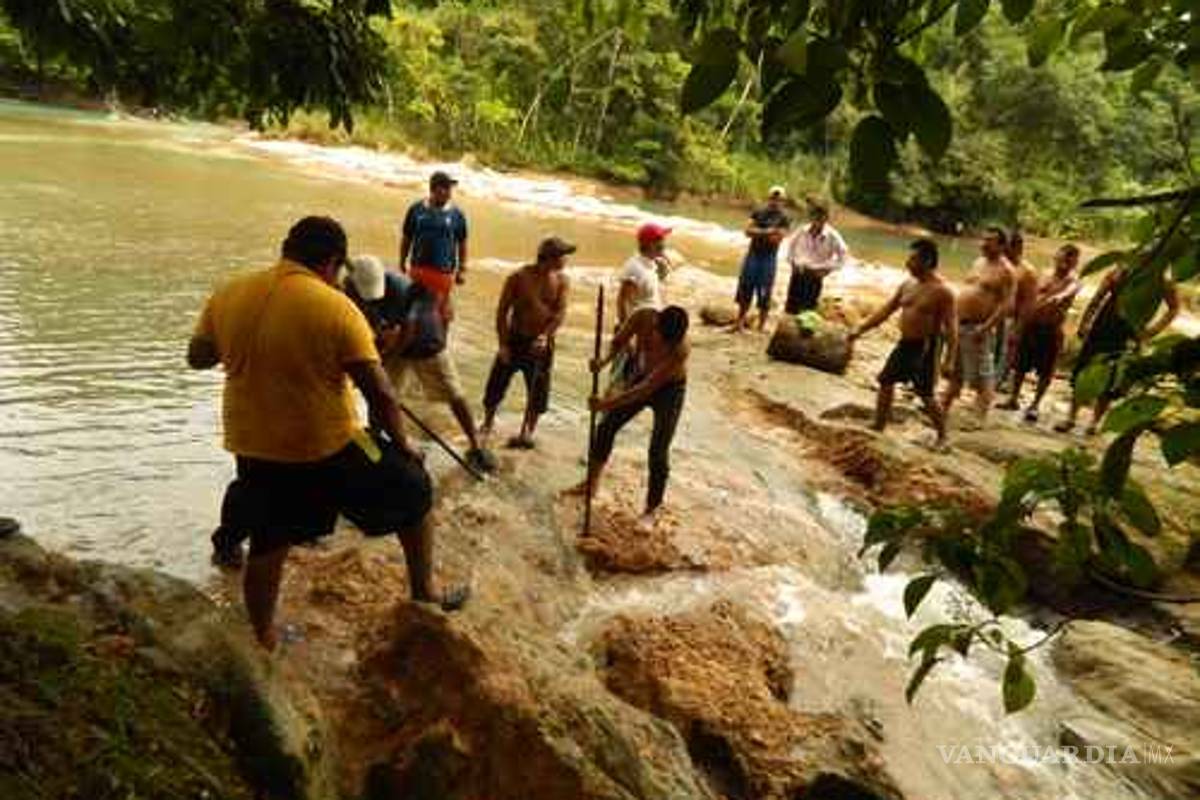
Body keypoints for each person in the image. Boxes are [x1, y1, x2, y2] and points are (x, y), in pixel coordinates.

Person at [188, 217, 466, 650]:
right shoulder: (337, 307)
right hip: (329, 445)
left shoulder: (231, 293)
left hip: (253, 444)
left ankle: (264, 638)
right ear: (333, 262)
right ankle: (423, 592)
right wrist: (404, 445)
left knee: (269, 539)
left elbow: (198, 357)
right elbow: (381, 394)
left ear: (286, 248)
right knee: (414, 487)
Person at [344, 255, 495, 473]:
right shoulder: (349, 287)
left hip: (425, 340)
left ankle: (475, 446)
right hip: (392, 340)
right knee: (379, 394)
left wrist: (382, 359)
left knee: (453, 393)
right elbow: (364, 324)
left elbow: (406, 334)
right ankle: (375, 441)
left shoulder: (407, 290)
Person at [569, 306, 691, 528]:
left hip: (670, 390)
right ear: (655, 325)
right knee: (606, 426)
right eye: (663, 339)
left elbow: (645, 389)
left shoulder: (680, 350)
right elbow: (618, 342)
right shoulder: (643, 317)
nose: (665, 345)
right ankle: (592, 483)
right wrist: (603, 362)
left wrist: (606, 403)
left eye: (670, 343)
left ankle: (652, 509)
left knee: (658, 449)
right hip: (641, 375)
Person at [849, 239, 957, 448]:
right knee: (886, 380)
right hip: (905, 343)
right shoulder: (908, 284)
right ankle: (879, 424)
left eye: (913, 259)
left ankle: (943, 436)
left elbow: (951, 328)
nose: (907, 263)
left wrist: (949, 360)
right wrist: (860, 329)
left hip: (926, 347)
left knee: (925, 394)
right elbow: (886, 310)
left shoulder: (942, 291)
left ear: (927, 261)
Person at [1054, 267, 1180, 435]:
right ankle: (1071, 417)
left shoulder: (1162, 281)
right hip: (1102, 326)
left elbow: (1174, 308)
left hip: (1130, 331)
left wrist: (1152, 331)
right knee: (1083, 372)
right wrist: (1085, 322)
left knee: (1112, 378)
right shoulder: (1119, 272)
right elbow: (1097, 298)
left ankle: (1095, 421)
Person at [481, 237, 574, 449]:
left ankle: (528, 432)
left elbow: (560, 313)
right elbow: (502, 312)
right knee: (496, 385)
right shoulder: (518, 277)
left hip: (541, 344)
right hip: (515, 339)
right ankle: (487, 423)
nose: (566, 260)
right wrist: (503, 344)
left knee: (539, 393)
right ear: (549, 258)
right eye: (563, 256)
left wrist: (545, 336)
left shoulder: (562, 280)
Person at [940, 228, 1016, 428]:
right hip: (959, 323)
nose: (983, 243)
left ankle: (979, 418)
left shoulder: (1006, 271)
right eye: (984, 238)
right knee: (956, 371)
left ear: (1002, 245)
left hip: (978, 328)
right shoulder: (978, 262)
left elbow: (1006, 305)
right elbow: (968, 289)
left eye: (990, 240)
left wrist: (986, 327)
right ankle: (943, 408)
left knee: (983, 376)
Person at [998, 244, 1082, 423]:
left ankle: (1035, 405)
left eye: (1068, 260)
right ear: (1056, 258)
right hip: (1031, 324)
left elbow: (1071, 290)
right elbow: (1028, 294)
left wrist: (1058, 297)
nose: (1063, 264)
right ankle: (1013, 398)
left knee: (1045, 370)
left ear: (1074, 262)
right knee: (1020, 364)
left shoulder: (1073, 280)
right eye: (1061, 259)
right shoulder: (1044, 273)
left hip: (1051, 329)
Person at [400, 171, 469, 318]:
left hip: (443, 275)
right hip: (419, 271)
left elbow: (462, 243)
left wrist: (462, 269)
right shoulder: (416, 210)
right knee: (412, 314)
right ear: (435, 189)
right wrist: (402, 260)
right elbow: (407, 237)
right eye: (446, 188)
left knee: (441, 316)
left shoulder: (457, 215)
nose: (449, 192)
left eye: (450, 188)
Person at [733, 186, 791, 332]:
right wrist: (769, 231)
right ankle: (739, 322)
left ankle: (761, 325)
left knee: (765, 289)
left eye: (779, 199)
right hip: (753, 254)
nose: (775, 201)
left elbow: (777, 239)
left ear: (783, 201)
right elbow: (747, 231)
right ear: (769, 198)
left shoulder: (785, 217)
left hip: (769, 257)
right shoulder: (759, 212)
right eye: (773, 198)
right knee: (745, 286)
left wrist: (758, 232)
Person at [785, 200, 849, 314]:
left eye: (821, 215)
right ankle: (787, 329)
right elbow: (790, 245)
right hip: (798, 273)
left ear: (826, 217)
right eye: (816, 215)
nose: (818, 218)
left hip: (815, 275)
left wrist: (828, 269)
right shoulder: (802, 230)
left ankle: (803, 330)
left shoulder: (832, 235)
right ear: (811, 216)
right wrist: (792, 262)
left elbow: (844, 255)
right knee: (791, 306)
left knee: (808, 308)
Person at [998, 230, 1040, 387]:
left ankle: (1001, 380)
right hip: (993, 316)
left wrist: (1018, 328)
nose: (1003, 252)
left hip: (1011, 318)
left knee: (1007, 351)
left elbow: (1028, 304)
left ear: (1017, 248)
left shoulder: (1027, 272)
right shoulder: (999, 264)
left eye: (1007, 248)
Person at [617, 223, 672, 325]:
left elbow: (650, 289)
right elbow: (622, 301)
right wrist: (624, 331)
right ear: (650, 244)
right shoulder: (634, 267)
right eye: (661, 240)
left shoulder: (653, 263)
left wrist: (663, 269)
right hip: (637, 327)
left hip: (651, 324)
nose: (664, 244)